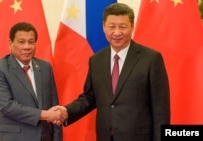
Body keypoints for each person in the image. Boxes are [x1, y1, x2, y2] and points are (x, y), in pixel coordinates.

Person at [55, 3, 170, 141]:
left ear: (132, 27)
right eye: (111, 27)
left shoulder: (151, 59)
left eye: (122, 27)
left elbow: (160, 110)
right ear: (104, 27)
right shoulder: (96, 60)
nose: (116, 32)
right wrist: (66, 111)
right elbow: (89, 98)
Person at [0, 22, 63, 141]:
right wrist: (46, 115)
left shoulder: (45, 67)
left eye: (31, 42)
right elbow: (7, 107)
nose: (27, 46)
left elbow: (54, 106)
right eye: (21, 42)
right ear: (10, 44)